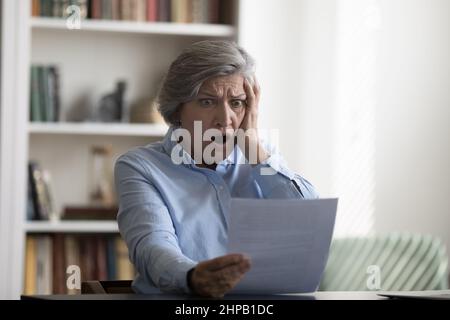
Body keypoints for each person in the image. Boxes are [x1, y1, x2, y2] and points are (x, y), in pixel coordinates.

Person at [114, 40, 319, 298]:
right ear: (178, 109)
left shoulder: (260, 157)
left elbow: (308, 222)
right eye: (208, 102)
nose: (225, 119)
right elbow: (152, 246)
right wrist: (194, 277)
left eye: (236, 103)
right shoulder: (140, 167)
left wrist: (254, 147)